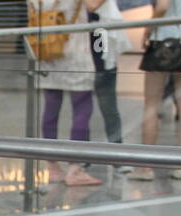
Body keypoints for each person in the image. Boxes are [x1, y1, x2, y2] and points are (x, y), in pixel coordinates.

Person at [27, 0, 104, 187]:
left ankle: (52, 167)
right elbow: (93, 5)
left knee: (50, 108)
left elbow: (31, 14)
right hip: (75, 50)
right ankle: (75, 168)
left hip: (46, 50)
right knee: (82, 108)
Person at [130, 0, 181, 181]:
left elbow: (163, 6)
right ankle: (180, 164)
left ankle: (146, 167)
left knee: (151, 104)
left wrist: (148, 27)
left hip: (164, 39)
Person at [87, 0, 131, 170]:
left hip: (99, 37)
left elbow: (92, 6)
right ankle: (79, 160)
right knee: (82, 108)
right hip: (78, 49)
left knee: (108, 105)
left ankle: (117, 155)